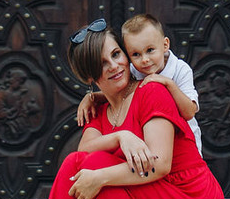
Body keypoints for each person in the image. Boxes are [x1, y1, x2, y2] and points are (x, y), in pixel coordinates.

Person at [30, 19, 225, 199]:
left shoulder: (152, 90)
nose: (115, 66)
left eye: (116, 54)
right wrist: (122, 136)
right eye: (102, 64)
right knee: (76, 162)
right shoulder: (98, 111)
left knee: (98, 166)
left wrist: (100, 177)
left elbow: (160, 164)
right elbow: (83, 150)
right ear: (90, 77)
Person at [76, 12, 202, 154]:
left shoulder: (180, 69)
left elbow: (189, 112)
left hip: (185, 142)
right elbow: (126, 94)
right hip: (154, 142)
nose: (144, 60)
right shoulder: (133, 70)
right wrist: (92, 97)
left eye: (150, 50)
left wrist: (169, 84)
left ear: (165, 44)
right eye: (135, 54)